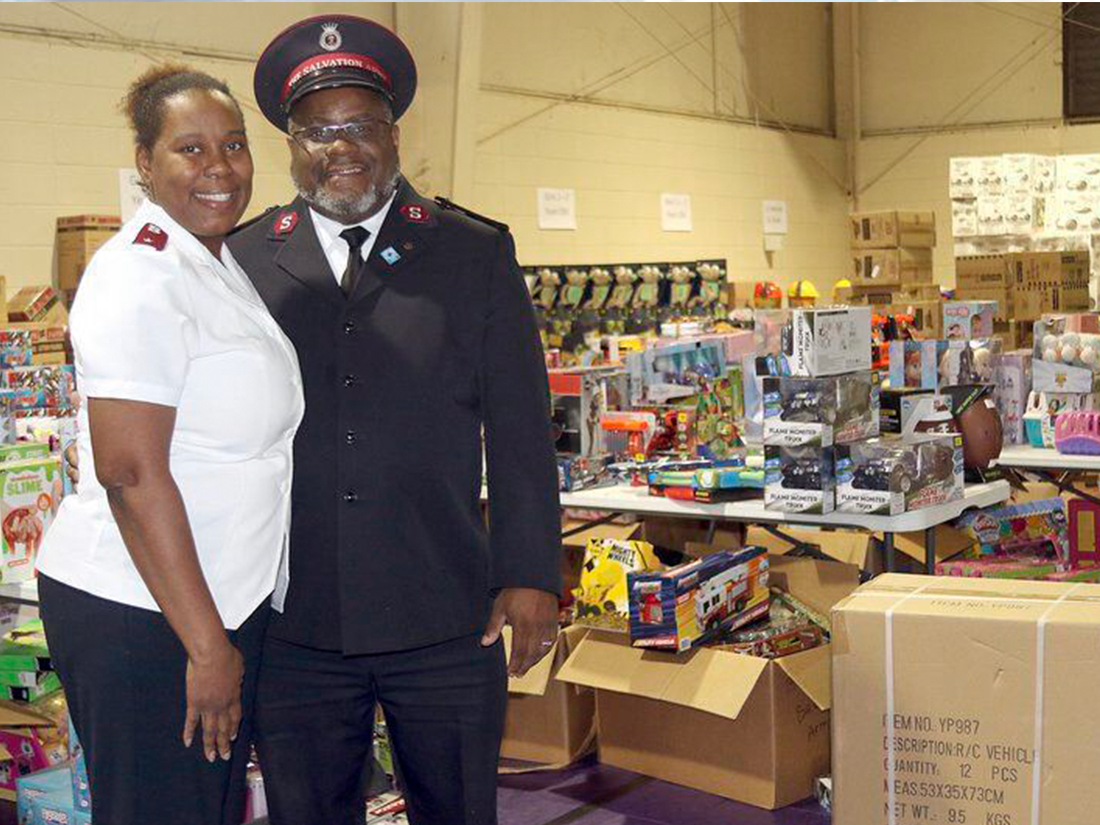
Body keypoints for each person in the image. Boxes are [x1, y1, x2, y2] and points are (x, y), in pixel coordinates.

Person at [227, 15, 562, 825]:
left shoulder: (470, 252)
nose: (340, 148)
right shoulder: (244, 261)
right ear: (291, 144)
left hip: (444, 610)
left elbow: (519, 427)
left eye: (361, 127)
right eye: (318, 131)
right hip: (294, 618)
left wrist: (530, 573)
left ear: (394, 135)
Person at [36, 65, 303, 825]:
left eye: (234, 145)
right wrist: (207, 645)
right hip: (145, 610)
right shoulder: (139, 275)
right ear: (145, 165)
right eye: (190, 149)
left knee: (204, 807)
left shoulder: (214, 260)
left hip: (209, 600)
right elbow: (128, 473)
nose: (219, 168)